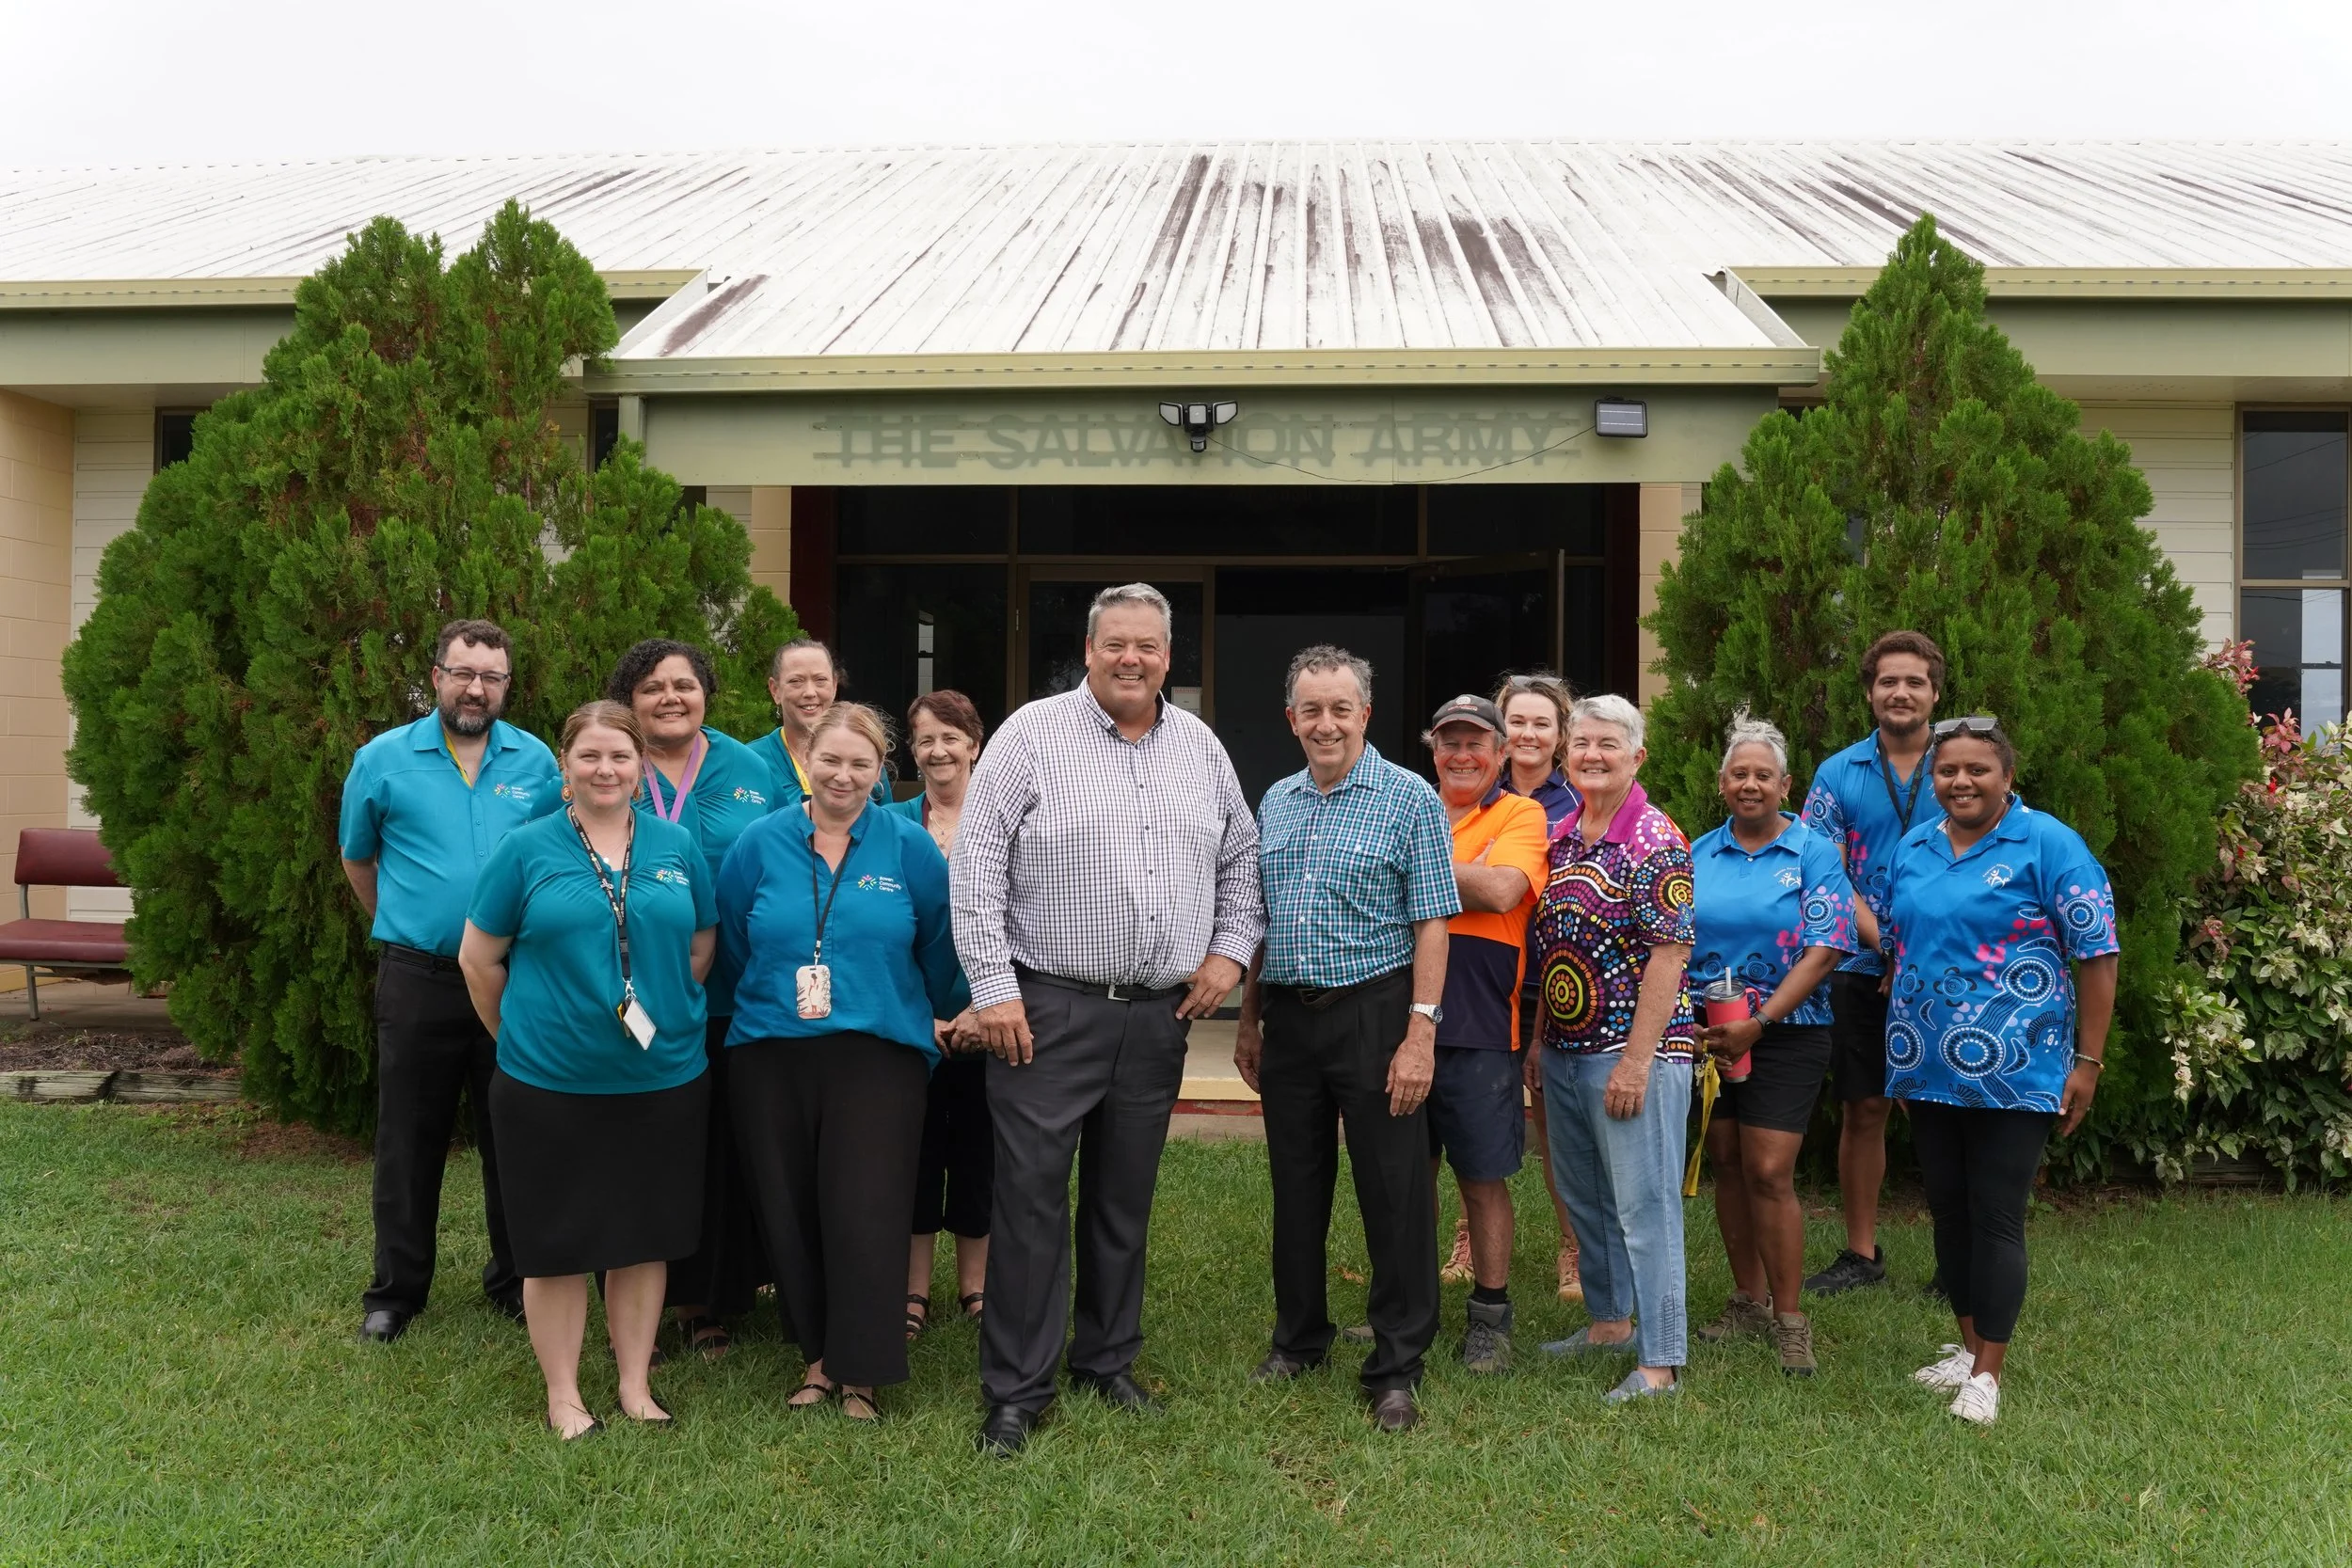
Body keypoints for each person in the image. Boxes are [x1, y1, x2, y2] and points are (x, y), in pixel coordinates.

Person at [951, 583, 1265, 1457]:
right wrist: (994, 988)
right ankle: (1017, 1389)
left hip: (1155, 1016)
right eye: (1116, 643)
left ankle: (1106, 1357)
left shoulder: (1198, 746)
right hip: (1043, 1007)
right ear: (1087, 649)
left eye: (1150, 646)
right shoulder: (1031, 734)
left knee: (1124, 1198)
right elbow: (976, 865)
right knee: (1029, 1199)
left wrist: (1228, 955)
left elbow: (1241, 862)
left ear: (1171, 656)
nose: (1133, 659)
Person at [456, 702, 717, 1438]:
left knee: (644, 1234)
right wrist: (524, 1039)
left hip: (663, 1078)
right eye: (590, 756)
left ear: (640, 767)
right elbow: (478, 960)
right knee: (557, 1242)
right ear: (565, 765)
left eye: (620, 757)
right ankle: (564, 1394)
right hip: (549, 1086)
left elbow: (702, 942)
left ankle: (636, 1385)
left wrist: (666, 1002)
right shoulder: (525, 849)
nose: (606, 770)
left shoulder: (674, 843)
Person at [719, 702, 969, 1422]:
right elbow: (735, 943)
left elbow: (940, 951)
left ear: (881, 770)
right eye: (830, 759)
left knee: (866, 1209)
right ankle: (819, 1358)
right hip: (771, 1051)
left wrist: (922, 1009)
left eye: (861, 762)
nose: (843, 774)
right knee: (791, 1207)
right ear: (808, 762)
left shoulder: (908, 847)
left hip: (879, 1053)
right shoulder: (759, 843)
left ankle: (863, 1370)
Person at [1236, 645, 1458, 1433]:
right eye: (1310, 709)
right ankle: (1299, 1339)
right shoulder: (1278, 800)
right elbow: (1259, 919)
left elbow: (1433, 919)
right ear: (1291, 717)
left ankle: (1396, 1362)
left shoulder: (1409, 799)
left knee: (1394, 1192)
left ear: (1365, 713)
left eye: (1340, 708)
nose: (1324, 723)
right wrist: (1252, 1016)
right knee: (1296, 1186)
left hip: (1376, 1011)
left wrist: (1419, 1035)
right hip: (1291, 1019)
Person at [1883, 717, 2118, 1427]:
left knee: (1995, 1212)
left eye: (1977, 769)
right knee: (1948, 1208)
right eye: (1947, 770)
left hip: (2021, 1069)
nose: (1960, 781)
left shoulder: (2049, 844)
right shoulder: (1914, 847)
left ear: (2007, 776)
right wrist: (1902, 1056)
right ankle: (1967, 1345)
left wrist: (2088, 1059)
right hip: (1926, 1065)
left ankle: (1989, 1372)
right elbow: (1901, 948)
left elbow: (2098, 952)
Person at [338, 618, 561, 1343]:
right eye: (462, 672)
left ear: (506, 685)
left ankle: (515, 1279)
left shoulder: (536, 763)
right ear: (435, 675)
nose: (475, 687)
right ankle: (396, 1292)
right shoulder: (382, 759)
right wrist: (410, 925)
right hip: (419, 978)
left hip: (511, 978)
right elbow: (358, 859)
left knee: (516, 1133)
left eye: (491, 676)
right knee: (408, 1136)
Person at [608, 638, 780, 1360]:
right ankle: (658, 1294)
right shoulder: (609, 762)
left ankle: (717, 1295)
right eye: (651, 686)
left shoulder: (751, 766)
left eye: (684, 683)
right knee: (651, 1147)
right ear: (630, 700)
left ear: (707, 692)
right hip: (631, 996)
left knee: (727, 1149)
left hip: (738, 994)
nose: (670, 696)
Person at [1526, 694, 1695, 1404]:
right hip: (1564, 1048)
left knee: (1645, 1205)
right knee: (1588, 1198)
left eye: (1608, 744)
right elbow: (1550, 948)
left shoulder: (1654, 838)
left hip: (1635, 1054)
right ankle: (1608, 1323)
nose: (1592, 754)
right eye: (1582, 743)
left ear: (1637, 757)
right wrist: (1539, 1040)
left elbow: (1671, 952)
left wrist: (1635, 1059)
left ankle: (1660, 1361)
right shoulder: (1564, 835)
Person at [1688, 712, 1858, 1378]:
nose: (1750, 783)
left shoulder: (1814, 851)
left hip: (1788, 1030)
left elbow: (1828, 947)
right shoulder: (1698, 851)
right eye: (1739, 773)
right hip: (1710, 1032)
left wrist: (1760, 1021)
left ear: (1785, 783)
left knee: (1768, 1169)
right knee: (1729, 1160)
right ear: (1722, 782)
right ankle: (1747, 1299)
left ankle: (1791, 1316)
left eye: (1763, 773)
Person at [1797, 630, 1946, 1296]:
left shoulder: (1964, 762)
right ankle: (1862, 1254)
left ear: (1935, 692)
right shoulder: (1838, 773)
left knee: (1948, 1110)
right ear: (1869, 692)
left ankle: (1958, 1254)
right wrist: (1887, 945)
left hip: (1946, 967)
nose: (1901, 692)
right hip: (1861, 965)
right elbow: (1824, 871)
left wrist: (1915, 950)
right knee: (1864, 1108)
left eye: (1914, 681)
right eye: (1888, 681)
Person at [1419, 694, 1549, 1373]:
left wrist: (1409, 868)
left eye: (1477, 743)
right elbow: (1480, 880)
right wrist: (1465, 874)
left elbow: (1503, 891)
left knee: (1482, 1175)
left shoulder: (1521, 813)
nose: (1462, 754)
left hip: (1480, 1022)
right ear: (1431, 748)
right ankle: (1407, 1308)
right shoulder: (1409, 804)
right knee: (1408, 1172)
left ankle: (1491, 1317)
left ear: (1502, 754)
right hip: (1401, 1015)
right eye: (1449, 742)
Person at [887, 689, 990, 1337]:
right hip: (912, 1022)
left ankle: (976, 1286)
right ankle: (912, 1291)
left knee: (983, 1152)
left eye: (950, 736)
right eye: (925, 738)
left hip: (992, 1018)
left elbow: (1029, 921)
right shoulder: (892, 825)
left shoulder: (1007, 819)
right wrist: (915, 1013)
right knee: (915, 1154)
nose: (937, 749)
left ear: (975, 743)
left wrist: (989, 1005)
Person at [1492, 671, 1584, 1304]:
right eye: (1516, 721)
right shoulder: (1471, 790)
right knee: (1471, 1115)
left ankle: (1573, 1248)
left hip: (1557, 982)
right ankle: (1470, 1238)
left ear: (1560, 735)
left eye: (1539, 723)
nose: (1526, 733)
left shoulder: (1579, 803)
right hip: (1486, 977)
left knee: (1558, 1127)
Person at [754, 637, 892, 811]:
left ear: (834, 685)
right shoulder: (752, 761)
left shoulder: (862, 756)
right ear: (775, 690)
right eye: (796, 681)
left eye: (820, 680)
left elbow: (884, 828)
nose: (810, 692)